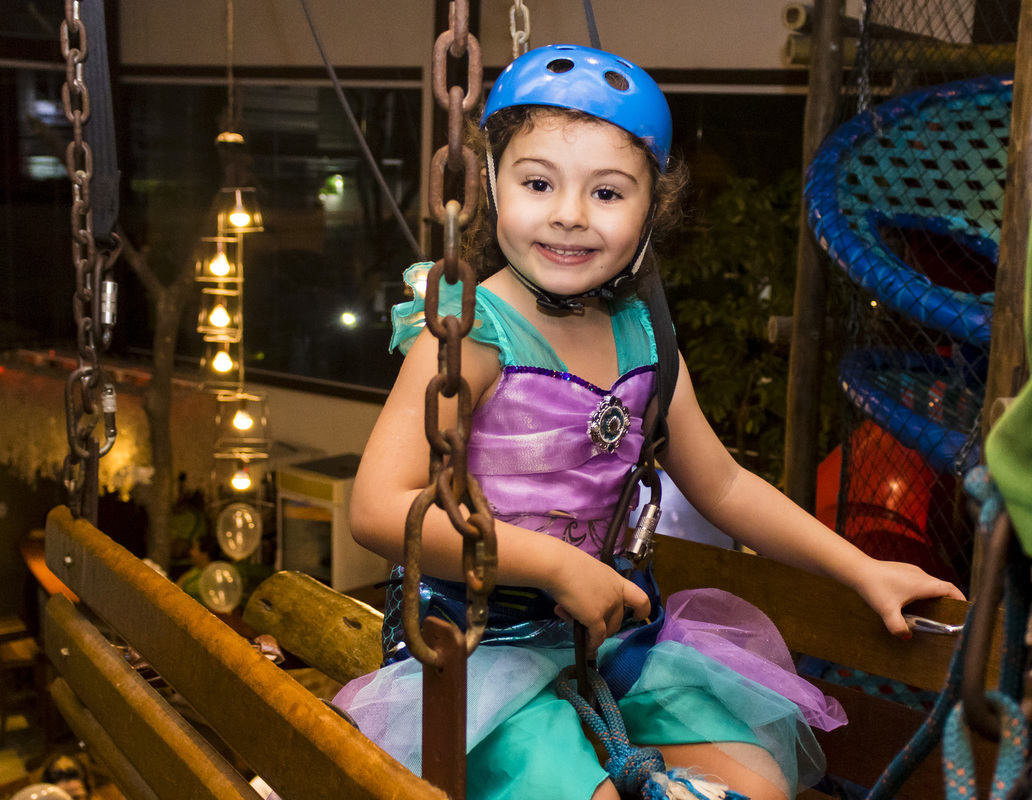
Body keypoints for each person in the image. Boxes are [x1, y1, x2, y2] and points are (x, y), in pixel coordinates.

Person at [334, 45, 964, 800]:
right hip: (476, 647)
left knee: (757, 784)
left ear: (651, 208)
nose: (569, 214)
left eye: (607, 193)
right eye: (539, 183)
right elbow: (376, 509)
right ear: (493, 188)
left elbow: (724, 485)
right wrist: (561, 566)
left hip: (613, 638)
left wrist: (860, 568)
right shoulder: (472, 333)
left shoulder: (645, 342)